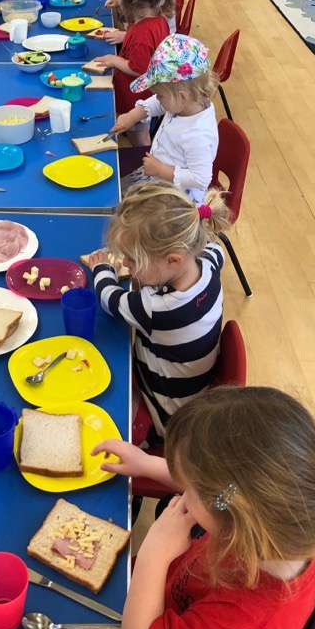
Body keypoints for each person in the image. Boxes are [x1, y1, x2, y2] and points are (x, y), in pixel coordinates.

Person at [92, 386, 315, 629]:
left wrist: (154, 556)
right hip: (159, 598)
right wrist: (148, 464)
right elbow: (215, 487)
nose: (184, 496)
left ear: (230, 511)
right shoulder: (287, 522)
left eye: (190, 490)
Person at [84, 181, 230, 444]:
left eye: (133, 259)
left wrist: (102, 269)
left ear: (173, 260)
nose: (125, 263)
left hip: (165, 417)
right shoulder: (208, 263)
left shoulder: (159, 308)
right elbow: (216, 248)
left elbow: (109, 299)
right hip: (192, 396)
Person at [111, 34, 219, 202]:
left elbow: (200, 179)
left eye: (160, 95)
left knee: (121, 205)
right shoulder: (184, 104)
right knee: (115, 194)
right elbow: (157, 103)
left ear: (182, 96)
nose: (158, 98)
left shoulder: (198, 134)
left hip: (175, 197)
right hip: (157, 175)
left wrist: (161, 170)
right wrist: (133, 116)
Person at [97, 0, 172, 143]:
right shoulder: (158, 19)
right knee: (139, 132)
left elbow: (138, 68)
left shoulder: (141, 34)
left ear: (132, 2)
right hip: (145, 93)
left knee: (138, 137)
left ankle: (144, 159)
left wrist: (114, 60)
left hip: (137, 96)